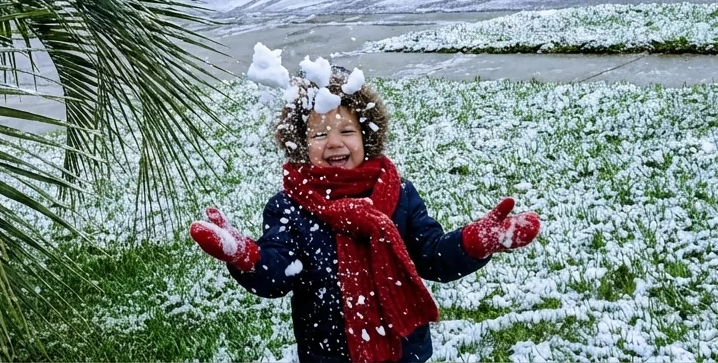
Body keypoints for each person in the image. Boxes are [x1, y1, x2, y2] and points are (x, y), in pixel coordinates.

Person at [190, 67, 540, 363]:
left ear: (366, 137)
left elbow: (431, 255)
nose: (334, 143)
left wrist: (475, 243)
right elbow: (278, 273)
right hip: (329, 352)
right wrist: (245, 256)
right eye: (319, 134)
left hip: (404, 349)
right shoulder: (290, 206)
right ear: (300, 143)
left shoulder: (398, 193)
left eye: (346, 131)